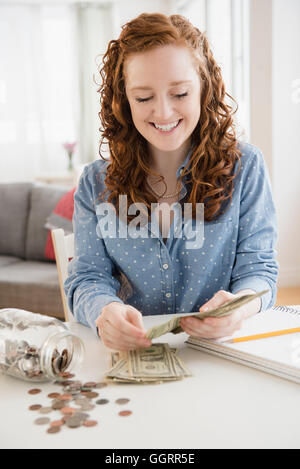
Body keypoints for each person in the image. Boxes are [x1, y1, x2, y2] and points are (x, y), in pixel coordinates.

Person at [64, 13, 278, 351]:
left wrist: (242, 306)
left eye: (179, 93)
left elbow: (260, 268)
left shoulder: (246, 167)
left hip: (217, 357)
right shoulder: (95, 183)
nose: (163, 113)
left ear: (204, 88)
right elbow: (87, 277)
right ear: (123, 101)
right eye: (144, 98)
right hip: (131, 357)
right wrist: (105, 311)